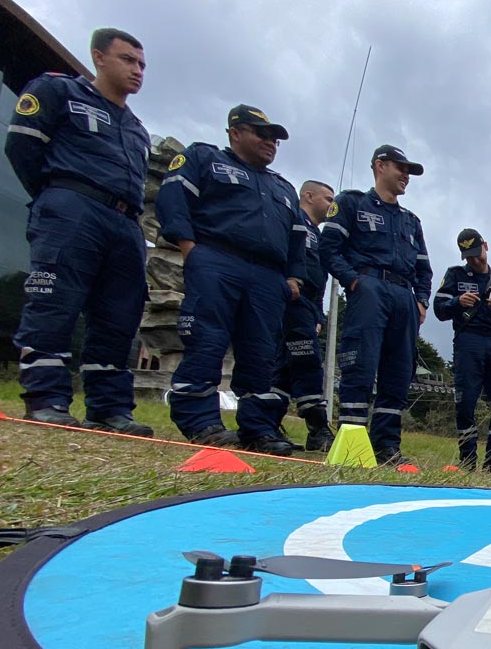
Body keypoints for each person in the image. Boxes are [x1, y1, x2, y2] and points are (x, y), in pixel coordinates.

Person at [5, 27, 153, 435]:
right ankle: (47, 399)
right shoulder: (59, 92)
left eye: (142, 64)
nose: (137, 70)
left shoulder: (137, 128)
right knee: (55, 302)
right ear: (98, 57)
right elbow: (22, 148)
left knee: (118, 316)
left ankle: (108, 408)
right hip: (73, 207)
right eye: (128, 59)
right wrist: (57, 198)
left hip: (124, 222)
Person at [156, 104, 308, 454]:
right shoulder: (204, 158)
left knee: (262, 354)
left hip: (268, 276)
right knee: (207, 341)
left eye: (275, 138)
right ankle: (201, 421)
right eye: (261, 134)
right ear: (234, 132)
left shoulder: (283, 187)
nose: (270, 142)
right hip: (216, 260)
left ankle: (260, 428)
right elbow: (173, 199)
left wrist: (294, 278)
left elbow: (298, 237)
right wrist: (189, 248)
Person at [319, 145, 432, 467]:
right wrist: (353, 281)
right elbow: (329, 249)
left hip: (403, 297)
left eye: (410, 171)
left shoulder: (411, 221)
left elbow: (424, 267)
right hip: (368, 289)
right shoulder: (351, 203)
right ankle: (352, 441)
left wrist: (421, 301)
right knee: (361, 364)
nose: (406, 176)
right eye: (401, 168)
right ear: (380, 166)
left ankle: (387, 447)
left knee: (398, 373)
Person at [432, 229, 491, 474]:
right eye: (469, 257)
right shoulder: (454, 274)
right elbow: (439, 310)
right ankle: (468, 459)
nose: (475, 260)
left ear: (486, 246)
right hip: (467, 342)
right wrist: (457, 302)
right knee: (466, 402)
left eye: (477, 254)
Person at [272, 179, 335, 452]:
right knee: (307, 361)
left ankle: (269, 423)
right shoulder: (291, 220)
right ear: (309, 196)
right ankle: (317, 426)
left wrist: (319, 316)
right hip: (290, 299)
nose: (332, 205)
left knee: (285, 369)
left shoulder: (319, 236)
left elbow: (319, 278)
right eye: (328, 199)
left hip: (309, 305)